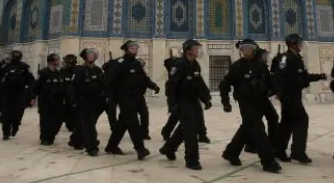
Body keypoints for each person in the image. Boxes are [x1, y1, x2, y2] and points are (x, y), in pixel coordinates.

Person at [220, 39, 281, 173]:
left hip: (262, 99)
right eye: (244, 48)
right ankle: (268, 161)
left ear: (254, 50)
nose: (246, 51)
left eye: (249, 48)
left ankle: (231, 152)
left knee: (270, 119)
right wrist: (225, 102)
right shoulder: (237, 66)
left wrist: (278, 92)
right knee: (257, 128)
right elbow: (224, 84)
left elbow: (269, 80)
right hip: (246, 102)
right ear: (241, 50)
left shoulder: (260, 65)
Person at [272, 33, 326, 163]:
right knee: (302, 119)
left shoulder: (291, 58)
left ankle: (278, 150)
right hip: (289, 95)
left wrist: (319, 76)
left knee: (287, 122)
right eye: (299, 43)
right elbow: (283, 76)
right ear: (294, 44)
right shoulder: (288, 58)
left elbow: (302, 76)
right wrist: (280, 91)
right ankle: (298, 152)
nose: (301, 46)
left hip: (290, 95)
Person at [160, 39, 212, 170]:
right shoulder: (179, 65)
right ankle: (192, 160)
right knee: (190, 128)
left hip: (193, 99)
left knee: (187, 126)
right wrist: (172, 104)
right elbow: (171, 86)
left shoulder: (195, 64)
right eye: (195, 48)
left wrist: (206, 98)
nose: (197, 51)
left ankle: (169, 148)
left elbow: (199, 83)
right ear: (188, 50)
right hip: (182, 100)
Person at [104, 40, 157, 160]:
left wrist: (153, 86)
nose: (135, 49)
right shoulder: (119, 63)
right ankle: (140, 149)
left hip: (136, 97)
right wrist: (109, 96)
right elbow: (109, 81)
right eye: (132, 48)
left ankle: (111, 146)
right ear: (126, 49)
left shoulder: (136, 63)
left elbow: (144, 78)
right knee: (133, 122)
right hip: (124, 98)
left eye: (136, 48)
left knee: (122, 123)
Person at [69, 48, 107, 156]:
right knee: (89, 124)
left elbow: (103, 85)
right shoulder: (80, 70)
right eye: (89, 54)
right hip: (83, 101)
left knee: (86, 123)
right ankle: (92, 147)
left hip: (96, 102)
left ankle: (75, 140)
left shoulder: (98, 70)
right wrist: (74, 101)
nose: (91, 56)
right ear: (85, 57)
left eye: (93, 54)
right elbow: (72, 87)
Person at [0, 50, 35, 140]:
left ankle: (15, 127)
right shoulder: (5, 66)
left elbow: (31, 80)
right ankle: (6, 132)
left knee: (18, 113)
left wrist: (31, 94)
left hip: (20, 93)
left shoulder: (24, 67)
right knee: (6, 114)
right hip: (7, 93)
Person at [36, 54, 64, 145]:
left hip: (56, 101)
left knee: (57, 120)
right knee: (45, 120)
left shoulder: (58, 73)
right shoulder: (43, 73)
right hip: (45, 100)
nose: (58, 61)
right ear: (51, 61)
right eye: (57, 60)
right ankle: (44, 138)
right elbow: (36, 87)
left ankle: (50, 136)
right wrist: (33, 97)